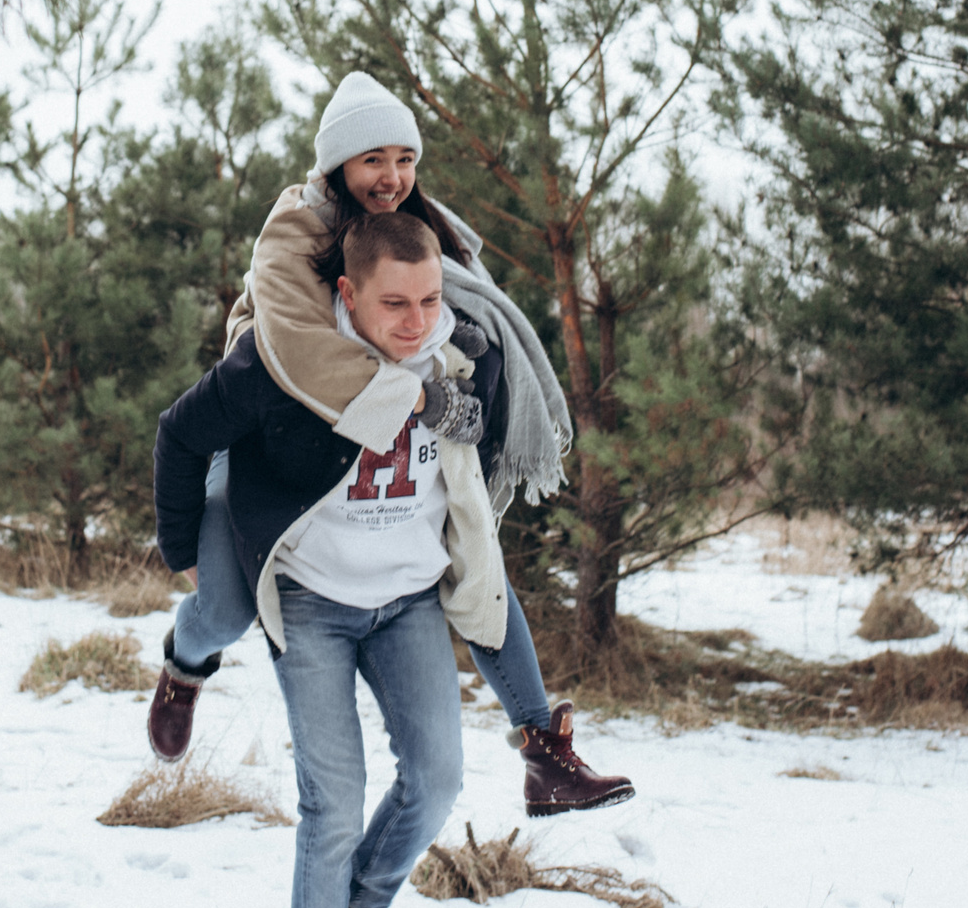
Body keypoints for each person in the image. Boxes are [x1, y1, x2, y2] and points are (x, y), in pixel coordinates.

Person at [146, 71, 631, 818]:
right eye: (374, 159)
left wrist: (471, 382)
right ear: (338, 161)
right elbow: (300, 349)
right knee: (224, 610)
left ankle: (543, 744)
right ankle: (184, 662)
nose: (393, 177)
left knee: (472, 551)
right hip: (266, 440)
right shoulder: (296, 225)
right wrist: (423, 390)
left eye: (406, 158)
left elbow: (464, 312)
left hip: (378, 472)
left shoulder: (421, 223)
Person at [154, 211, 498, 908]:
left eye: (429, 300)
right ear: (348, 293)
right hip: (311, 600)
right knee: (334, 801)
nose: (416, 323)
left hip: (407, 600)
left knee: (438, 776)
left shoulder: (458, 353)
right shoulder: (287, 357)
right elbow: (181, 434)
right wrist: (184, 553)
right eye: (394, 305)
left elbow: (489, 457)